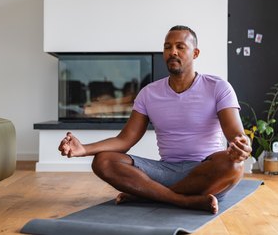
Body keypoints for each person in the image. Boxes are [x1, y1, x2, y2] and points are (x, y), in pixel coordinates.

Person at [58, 25, 252, 214]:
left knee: (233, 165)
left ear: (195, 53)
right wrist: (83, 149)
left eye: (180, 47)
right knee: (103, 161)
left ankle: (148, 194)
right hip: (164, 170)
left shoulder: (218, 87)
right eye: (167, 47)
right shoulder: (148, 93)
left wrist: (242, 147)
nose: (172, 52)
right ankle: (182, 200)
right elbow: (124, 140)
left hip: (205, 170)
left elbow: (237, 136)